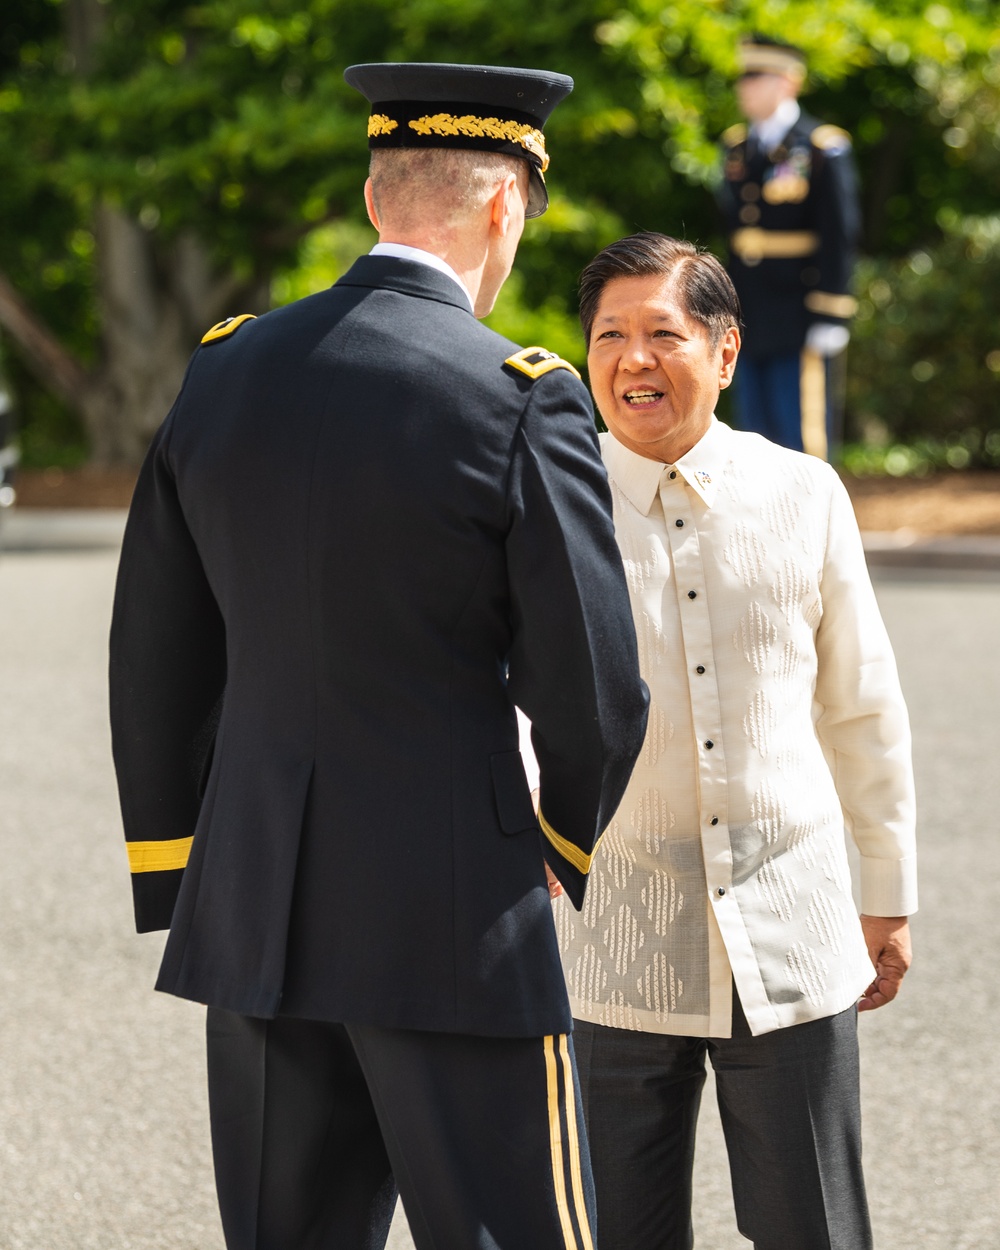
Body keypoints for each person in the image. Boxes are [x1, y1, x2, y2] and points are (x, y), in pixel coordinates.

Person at [109, 62, 649, 1250]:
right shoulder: (521, 394)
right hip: (454, 914)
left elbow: (154, 647)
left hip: (254, 911)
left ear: (371, 196)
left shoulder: (225, 367)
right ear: (505, 205)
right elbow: (595, 684)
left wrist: (181, 860)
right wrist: (561, 837)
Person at [553, 231, 916, 1250]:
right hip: (607, 934)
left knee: (816, 1229)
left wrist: (884, 887)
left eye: (661, 332)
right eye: (609, 335)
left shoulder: (804, 493)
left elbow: (861, 702)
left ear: (722, 349)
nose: (632, 359)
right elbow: (497, 701)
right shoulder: (547, 503)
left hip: (791, 930)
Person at [719, 35, 861, 459]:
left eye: (756, 77)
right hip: (749, 309)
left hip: (799, 310)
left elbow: (839, 233)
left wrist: (831, 312)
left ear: (788, 83)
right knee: (754, 433)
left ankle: (811, 524)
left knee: (800, 431)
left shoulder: (821, 146)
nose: (744, 87)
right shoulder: (737, 147)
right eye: (743, 78)